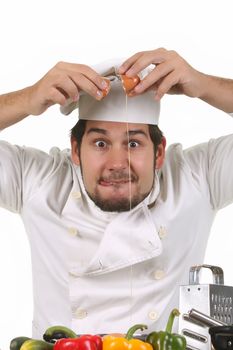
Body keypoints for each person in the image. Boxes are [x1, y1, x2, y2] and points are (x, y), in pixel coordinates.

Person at [1, 48, 233, 339]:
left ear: (159, 152)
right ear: (75, 150)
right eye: (100, 143)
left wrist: (204, 85)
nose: (116, 163)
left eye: (133, 144)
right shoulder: (37, 180)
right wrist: (26, 100)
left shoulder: (198, 177)